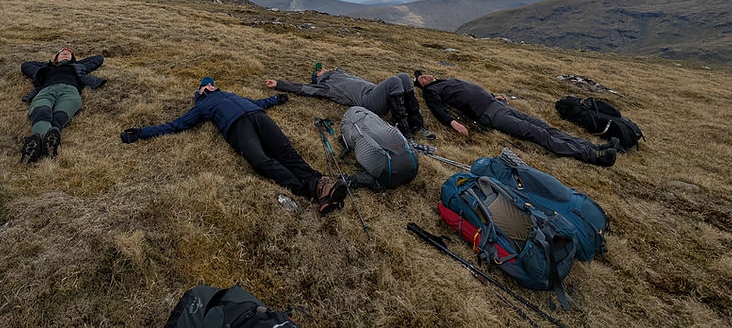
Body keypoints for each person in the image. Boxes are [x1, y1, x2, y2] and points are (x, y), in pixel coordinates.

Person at [121, 77, 348, 214]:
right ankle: (311, 191)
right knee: (260, 161)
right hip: (237, 128)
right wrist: (142, 132)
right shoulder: (202, 106)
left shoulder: (230, 94)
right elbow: (176, 125)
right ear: (200, 91)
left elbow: (257, 102)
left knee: (285, 151)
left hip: (258, 116)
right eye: (205, 86)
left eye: (211, 84)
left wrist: (276, 99)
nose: (209, 86)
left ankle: (321, 185)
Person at [414, 71, 618, 166]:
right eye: (420, 78)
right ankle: (592, 157)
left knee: (544, 126)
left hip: (496, 104)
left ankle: (592, 146)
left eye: (424, 73)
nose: (425, 76)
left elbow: (472, 91)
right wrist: (452, 122)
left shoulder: (446, 81)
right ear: (421, 85)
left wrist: (493, 96)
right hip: (489, 114)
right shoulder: (431, 92)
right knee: (537, 133)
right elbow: (437, 109)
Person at [265, 65, 435, 141]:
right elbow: (303, 88)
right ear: (318, 77)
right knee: (393, 81)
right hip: (368, 103)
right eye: (320, 70)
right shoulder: (326, 86)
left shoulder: (339, 75)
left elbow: (349, 78)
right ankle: (403, 129)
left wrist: (340, 70)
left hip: (376, 93)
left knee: (404, 76)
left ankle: (416, 123)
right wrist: (279, 84)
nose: (322, 68)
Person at [18, 47, 105, 163]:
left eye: (69, 54)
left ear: (73, 58)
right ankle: (45, 145)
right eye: (62, 53)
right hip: (46, 90)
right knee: (41, 111)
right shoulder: (46, 68)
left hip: (69, 91)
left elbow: (98, 58)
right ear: (56, 57)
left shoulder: (78, 67)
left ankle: (37, 145)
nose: (65, 54)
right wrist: (50, 63)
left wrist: (75, 62)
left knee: (59, 115)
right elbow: (26, 65)